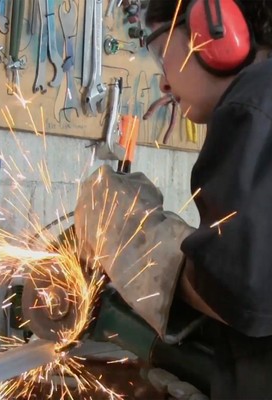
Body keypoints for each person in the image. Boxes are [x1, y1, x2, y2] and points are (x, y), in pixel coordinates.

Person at [74, 0, 272, 398]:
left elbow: (244, 293)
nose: (164, 83)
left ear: (215, 29)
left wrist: (133, 237)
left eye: (162, 51)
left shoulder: (254, 102)